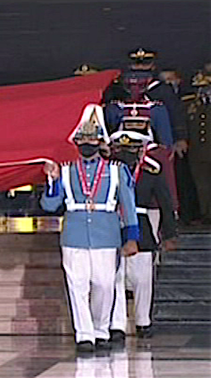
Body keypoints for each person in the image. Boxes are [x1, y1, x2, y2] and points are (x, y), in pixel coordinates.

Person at [40, 104, 139, 353]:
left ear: (100, 141)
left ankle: (100, 327)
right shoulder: (64, 170)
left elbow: (127, 205)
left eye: (92, 139)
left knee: (105, 284)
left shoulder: (116, 170)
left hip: (106, 235)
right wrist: (51, 180)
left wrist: (132, 236)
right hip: (74, 235)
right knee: (77, 285)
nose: (87, 143)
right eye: (82, 139)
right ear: (76, 142)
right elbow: (50, 205)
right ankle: (84, 335)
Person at [108, 130, 177, 343]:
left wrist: (169, 233)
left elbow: (165, 202)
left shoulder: (150, 171)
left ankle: (142, 321)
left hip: (142, 227)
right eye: (120, 150)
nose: (125, 154)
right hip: (113, 227)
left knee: (142, 280)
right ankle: (116, 325)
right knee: (115, 279)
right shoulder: (108, 171)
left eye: (130, 149)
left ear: (140, 150)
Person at [183, 70, 211, 223]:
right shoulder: (190, 104)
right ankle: (205, 213)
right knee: (201, 184)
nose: (203, 91)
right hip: (197, 152)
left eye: (206, 87)